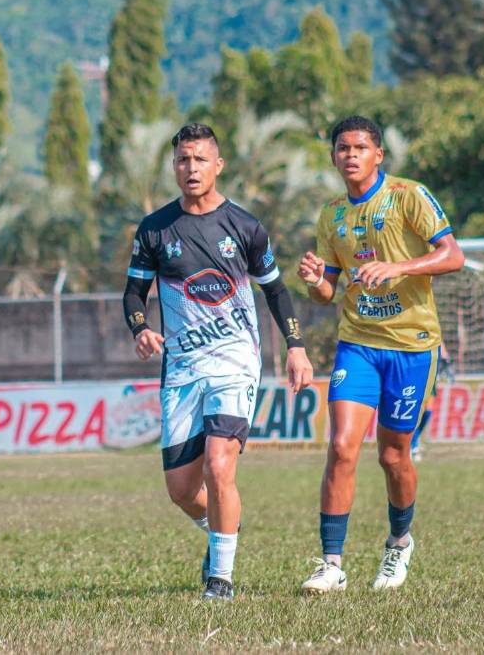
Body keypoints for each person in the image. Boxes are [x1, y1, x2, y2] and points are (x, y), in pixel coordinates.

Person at [123, 122, 313, 602]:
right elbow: (132, 292)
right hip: (182, 370)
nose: (191, 168)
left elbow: (276, 290)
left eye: (200, 159)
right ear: (174, 166)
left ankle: (220, 581)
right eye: (183, 160)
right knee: (182, 491)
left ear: (218, 165)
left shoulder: (245, 226)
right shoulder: (155, 228)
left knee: (219, 463)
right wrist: (140, 328)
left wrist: (296, 346)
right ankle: (222, 528)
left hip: (234, 362)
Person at [297, 115, 464, 594]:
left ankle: (398, 544)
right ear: (333, 156)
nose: (350, 155)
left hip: (412, 346)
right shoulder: (331, 215)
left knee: (393, 456)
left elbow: (452, 255)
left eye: (360, 147)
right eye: (342, 148)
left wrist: (399, 267)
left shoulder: (409, 195)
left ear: (378, 155)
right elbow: (327, 294)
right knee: (342, 446)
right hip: (359, 344)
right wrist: (315, 282)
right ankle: (331, 564)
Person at [410, 342, 452, 461]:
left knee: (427, 411)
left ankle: (413, 440)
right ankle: (412, 445)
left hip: (429, 370)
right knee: (413, 410)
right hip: (414, 367)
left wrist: (444, 358)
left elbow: (438, 337)